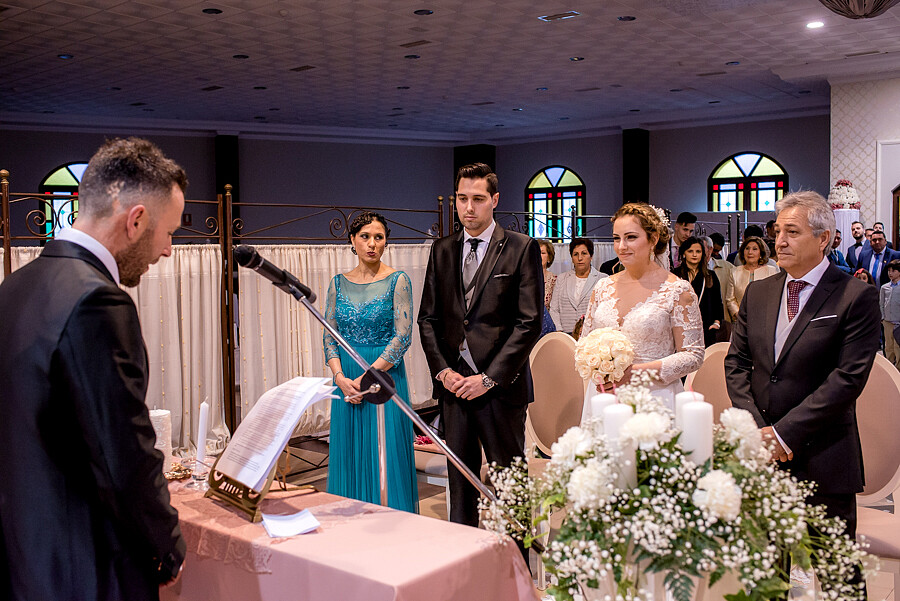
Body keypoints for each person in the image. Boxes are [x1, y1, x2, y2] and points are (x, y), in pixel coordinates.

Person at [0, 137, 187, 601]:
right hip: (86, 566)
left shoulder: (14, 287)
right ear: (136, 220)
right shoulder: (98, 301)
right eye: (169, 233)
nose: (168, 250)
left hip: (24, 555)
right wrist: (166, 545)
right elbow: (121, 451)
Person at [725, 190, 880, 572]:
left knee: (837, 577)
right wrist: (760, 432)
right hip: (764, 456)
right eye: (778, 231)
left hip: (824, 456)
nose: (779, 241)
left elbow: (847, 379)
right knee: (767, 576)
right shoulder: (759, 292)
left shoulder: (855, 296)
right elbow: (737, 363)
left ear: (823, 238)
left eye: (792, 232)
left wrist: (783, 435)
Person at [418, 163, 543, 530]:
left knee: (510, 484)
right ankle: (467, 556)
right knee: (460, 484)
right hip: (454, 387)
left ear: (495, 200)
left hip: (500, 388)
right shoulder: (442, 249)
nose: (468, 208)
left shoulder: (521, 247)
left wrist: (488, 379)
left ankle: (516, 559)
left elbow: (528, 323)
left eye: (477, 199)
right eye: (462, 199)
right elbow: (428, 319)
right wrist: (443, 371)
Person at [324, 212, 418, 512]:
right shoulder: (337, 284)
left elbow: (402, 337)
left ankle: (392, 525)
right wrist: (339, 378)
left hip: (383, 378)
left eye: (379, 237)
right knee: (350, 453)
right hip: (347, 382)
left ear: (386, 242)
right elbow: (330, 336)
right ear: (352, 240)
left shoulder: (398, 280)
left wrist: (368, 377)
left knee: (386, 455)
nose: (372, 244)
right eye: (365, 237)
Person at [582, 203, 704, 411]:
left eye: (631, 237)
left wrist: (636, 373)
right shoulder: (602, 286)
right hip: (603, 396)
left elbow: (693, 355)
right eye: (616, 238)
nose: (621, 246)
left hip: (654, 397)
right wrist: (596, 365)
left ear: (653, 239)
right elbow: (585, 341)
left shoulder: (677, 290)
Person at [674, 237, 723, 347]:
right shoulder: (675, 275)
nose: (694, 255)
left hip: (706, 329)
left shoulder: (710, 275)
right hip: (681, 328)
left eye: (698, 251)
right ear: (684, 254)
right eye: (690, 251)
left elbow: (717, 302)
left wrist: (716, 323)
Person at [550, 237, 605, 335]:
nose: (580, 258)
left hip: (592, 335)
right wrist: (559, 331)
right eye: (576, 254)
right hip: (565, 334)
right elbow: (554, 309)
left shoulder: (602, 279)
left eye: (584, 253)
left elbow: (604, 311)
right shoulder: (562, 278)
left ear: (591, 256)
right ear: (572, 258)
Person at [724, 236, 780, 322]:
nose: (750, 252)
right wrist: (739, 315)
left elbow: (776, 297)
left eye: (754, 249)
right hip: (740, 321)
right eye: (747, 248)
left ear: (761, 253)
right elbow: (730, 299)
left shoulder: (771, 271)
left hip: (766, 320)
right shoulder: (734, 272)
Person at [880, 260, 900, 371]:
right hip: (887, 321)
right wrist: (883, 317)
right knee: (889, 346)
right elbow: (881, 303)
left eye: (893, 271)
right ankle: (890, 368)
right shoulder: (884, 287)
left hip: (898, 321)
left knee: (898, 347)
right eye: (889, 271)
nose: (890, 273)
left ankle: (898, 369)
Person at [538, 239, 558, 337]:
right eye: (536, 253)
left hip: (549, 329)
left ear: (549, 257)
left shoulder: (555, 280)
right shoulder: (524, 279)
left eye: (542, 253)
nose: (538, 256)